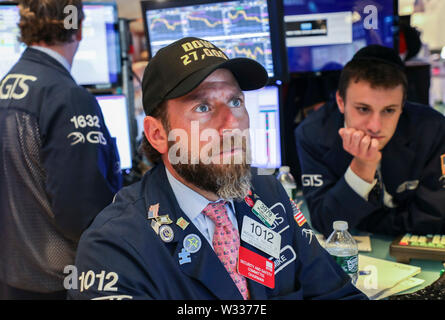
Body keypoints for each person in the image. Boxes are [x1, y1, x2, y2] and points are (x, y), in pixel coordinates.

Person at [68, 37, 367, 300]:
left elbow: (337, 292)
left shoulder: (268, 192)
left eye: (235, 100)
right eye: (203, 107)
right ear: (158, 134)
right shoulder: (113, 248)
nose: (232, 122)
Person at [0, 0, 122, 299]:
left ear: (24, 29)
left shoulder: (7, 86)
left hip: (15, 275)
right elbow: (83, 212)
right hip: (59, 283)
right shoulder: (67, 97)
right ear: (79, 29)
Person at [295, 45, 445, 238]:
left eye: (389, 110)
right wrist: (361, 168)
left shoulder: (433, 129)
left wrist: (363, 220)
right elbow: (325, 222)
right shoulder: (312, 134)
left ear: (402, 105)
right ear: (341, 102)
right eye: (363, 109)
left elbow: (432, 220)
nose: (375, 126)